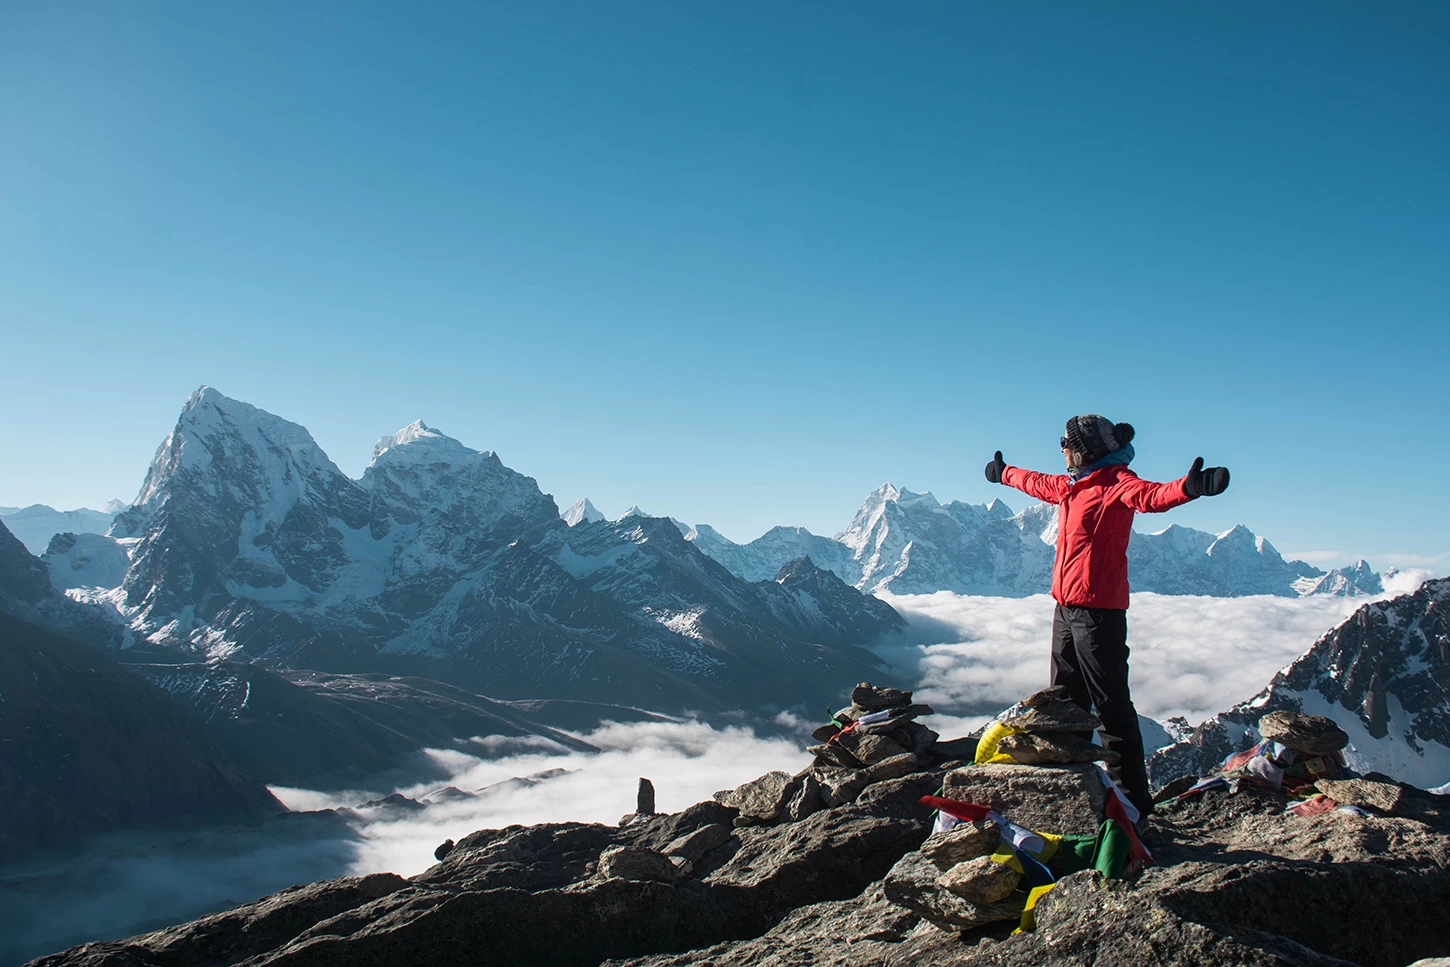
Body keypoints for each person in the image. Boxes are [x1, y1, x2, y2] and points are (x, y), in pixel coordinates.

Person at [983, 415, 1230, 818]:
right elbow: (1035, 481)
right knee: (1063, 700)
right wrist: (1004, 473)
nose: (1061, 447)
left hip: (1099, 614)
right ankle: (1071, 789)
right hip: (1065, 608)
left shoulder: (1115, 483)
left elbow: (1151, 496)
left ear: (1084, 448)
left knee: (1111, 707)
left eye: (1066, 441)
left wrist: (1191, 487)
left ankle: (1133, 803)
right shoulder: (1071, 485)